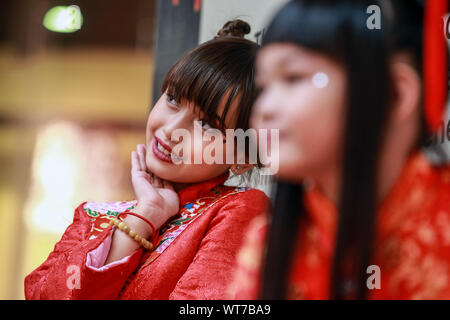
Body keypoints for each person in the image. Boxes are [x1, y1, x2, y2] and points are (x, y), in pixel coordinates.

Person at [25, 19, 269, 300]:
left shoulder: (241, 209)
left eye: (207, 125)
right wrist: (145, 215)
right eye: (173, 99)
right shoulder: (91, 216)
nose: (171, 129)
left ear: (244, 156)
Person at [229, 0, 450, 299]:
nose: (263, 109)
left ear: (396, 94)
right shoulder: (271, 240)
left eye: (293, 77)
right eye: (264, 87)